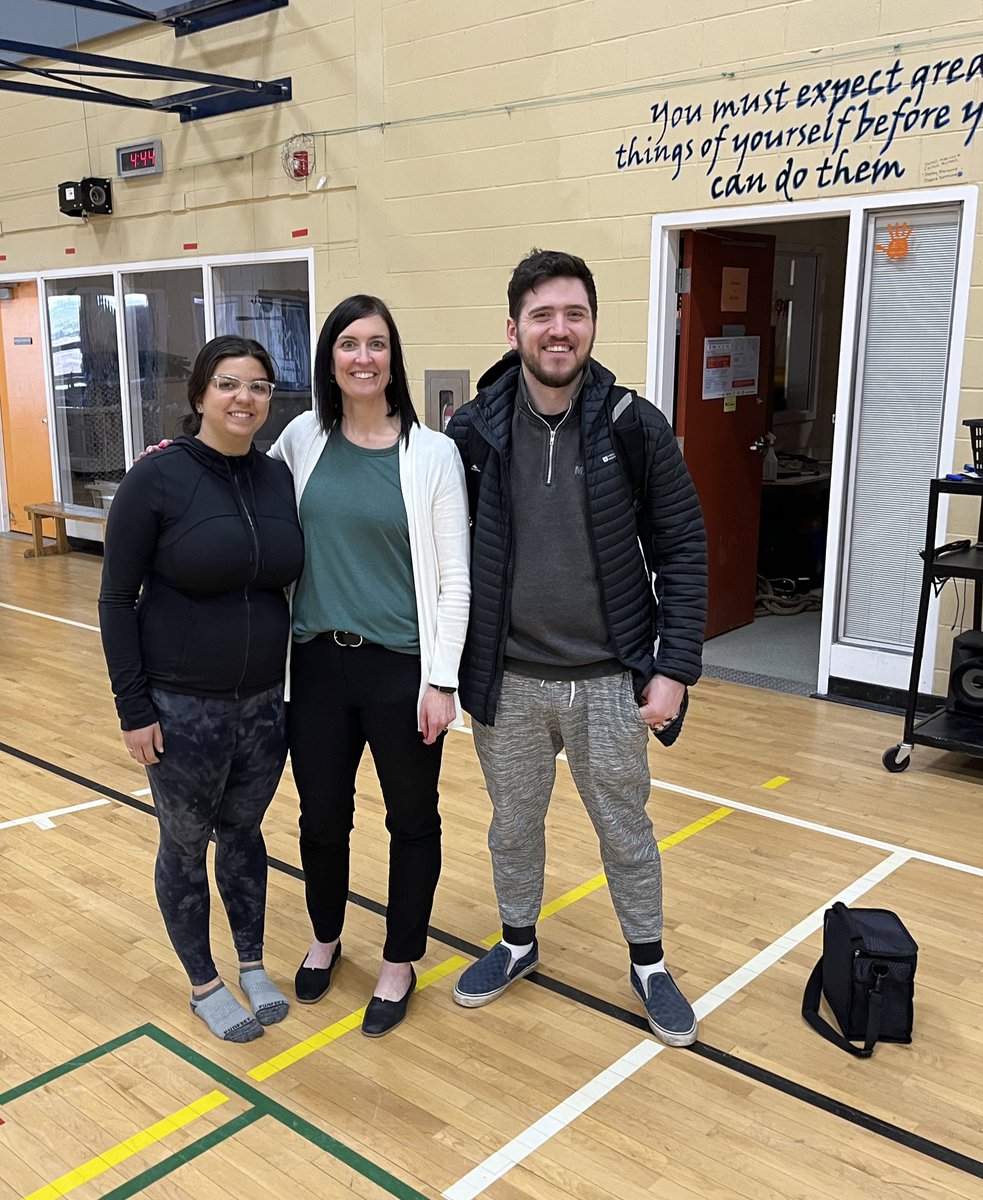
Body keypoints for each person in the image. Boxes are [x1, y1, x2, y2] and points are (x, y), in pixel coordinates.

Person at [445, 250, 707, 1046]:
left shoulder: (632, 422)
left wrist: (673, 668)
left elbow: (683, 545)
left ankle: (649, 964)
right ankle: (518, 943)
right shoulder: (471, 431)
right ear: (513, 328)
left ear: (591, 324)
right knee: (512, 827)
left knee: (624, 828)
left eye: (574, 315)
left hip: (608, 678)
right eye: (542, 316)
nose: (559, 331)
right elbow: (426, 538)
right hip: (509, 680)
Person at [269, 294, 470, 1037]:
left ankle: (399, 959)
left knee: (412, 821)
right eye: (348, 344)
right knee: (321, 820)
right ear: (329, 359)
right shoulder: (300, 439)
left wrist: (441, 680)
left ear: (393, 358)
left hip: (401, 673)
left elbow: (457, 578)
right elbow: (245, 497)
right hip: (315, 667)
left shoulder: (433, 454)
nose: (362, 357)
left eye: (376, 344)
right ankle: (325, 937)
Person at [99, 336, 305, 1044]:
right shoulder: (156, 479)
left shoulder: (276, 478)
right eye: (227, 384)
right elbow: (115, 600)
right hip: (182, 707)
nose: (243, 398)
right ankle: (203, 982)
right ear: (199, 396)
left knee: (244, 834)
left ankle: (251, 963)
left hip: (261, 705)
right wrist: (134, 709)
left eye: (257, 386)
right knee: (184, 845)